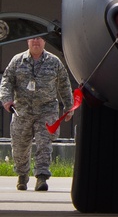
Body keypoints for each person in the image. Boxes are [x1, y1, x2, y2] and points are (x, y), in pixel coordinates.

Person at [1, 35, 74, 191]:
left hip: (46, 110)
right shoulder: (17, 61)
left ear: (44, 42)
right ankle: (22, 175)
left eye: (39, 39)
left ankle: (41, 177)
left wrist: (69, 107)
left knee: (44, 144)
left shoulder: (54, 62)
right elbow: (6, 81)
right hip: (22, 111)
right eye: (33, 39)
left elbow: (64, 85)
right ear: (27, 41)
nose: (36, 41)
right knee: (20, 146)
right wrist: (7, 100)